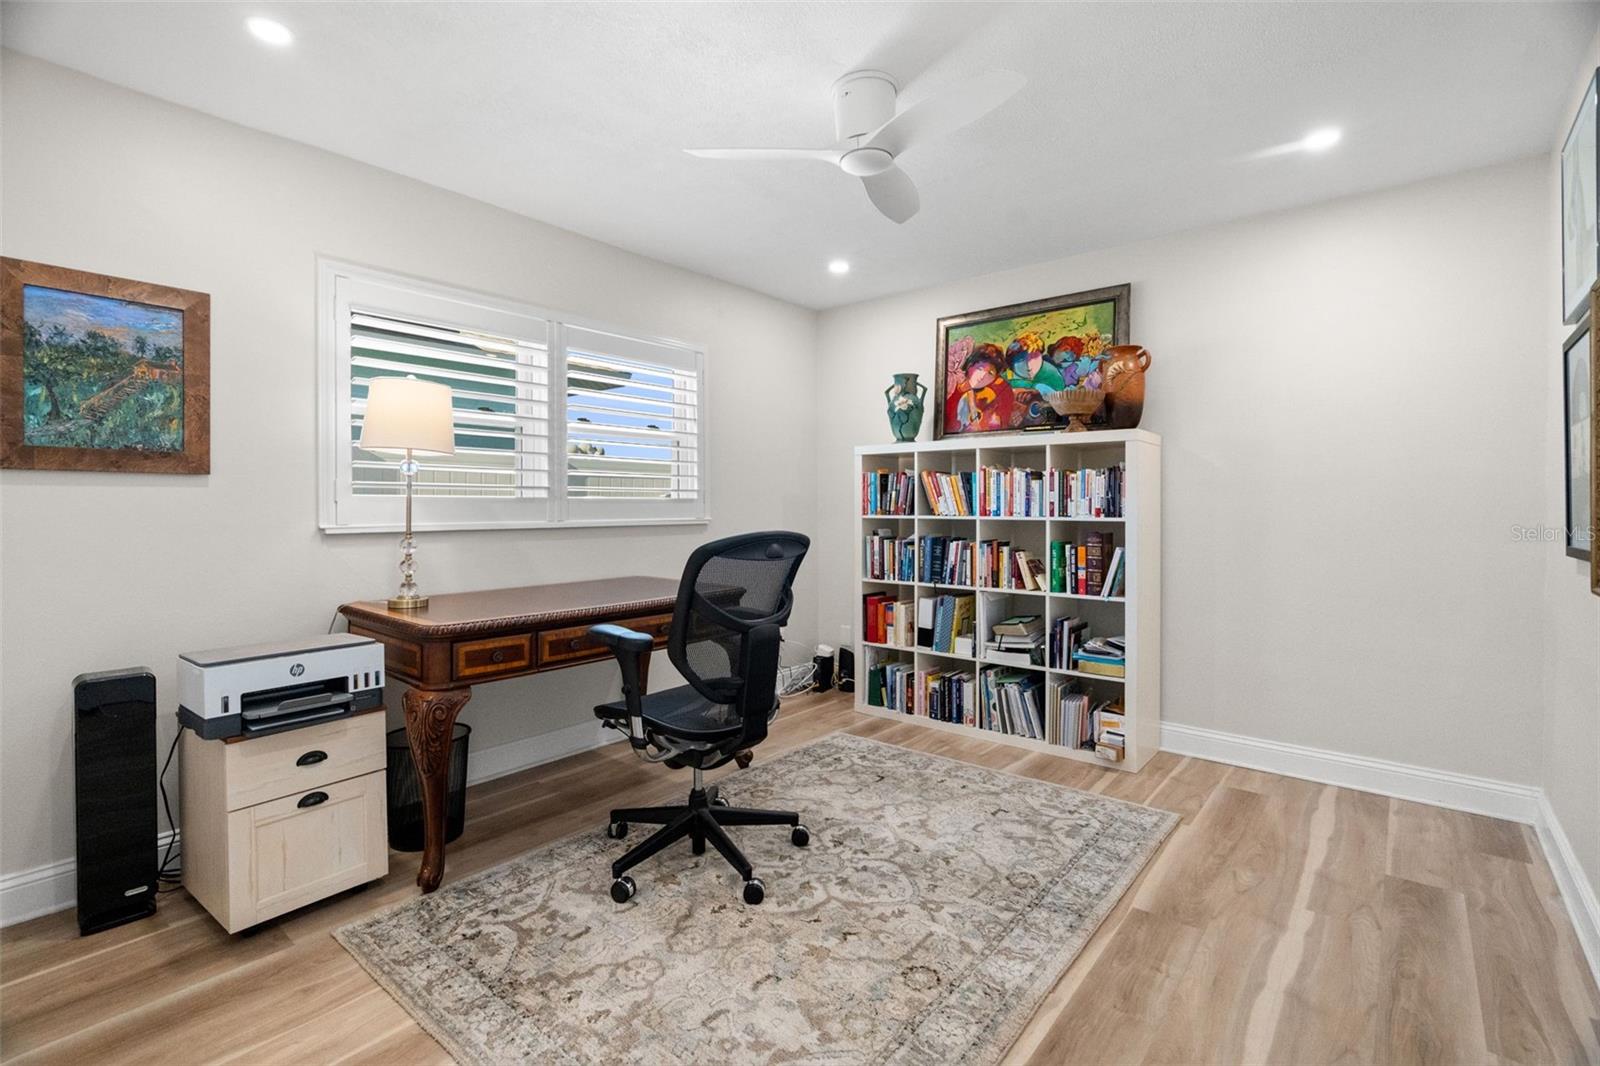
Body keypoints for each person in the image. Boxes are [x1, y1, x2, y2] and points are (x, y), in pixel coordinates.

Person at [945, 344, 1014, 432]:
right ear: (970, 366)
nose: (982, 376)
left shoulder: (993, 393)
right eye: (980, 369)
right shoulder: (951, 384)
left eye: (990, 373)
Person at [1004, 331, 1066, 396]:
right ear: (1011, 362)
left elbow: (1060, 398)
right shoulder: (1005, 378)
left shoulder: (1052, 374)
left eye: (1034, 358)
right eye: (1021, 360)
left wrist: (1039, 388)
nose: (1029, 365)